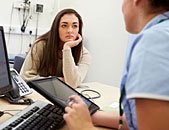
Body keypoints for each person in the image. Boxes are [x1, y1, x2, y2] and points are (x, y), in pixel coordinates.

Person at [63, 0, 169, 130]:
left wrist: (84, 127)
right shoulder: (161, 33)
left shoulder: (154, 40)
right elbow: (138, 121)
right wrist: (92, 115)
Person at [20, 8, 91, 88]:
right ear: (56, 28)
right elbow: (25, 78)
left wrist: (67, 48)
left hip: (67, 96)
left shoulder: (84, 54)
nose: (70, 30)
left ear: (79, 29)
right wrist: (55, 81)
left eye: (75, 26)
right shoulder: (40, 45)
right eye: (64, 26)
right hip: (41, 93)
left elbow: (72, 83)